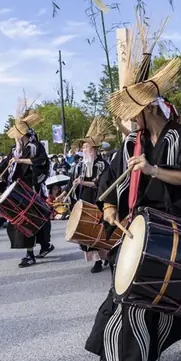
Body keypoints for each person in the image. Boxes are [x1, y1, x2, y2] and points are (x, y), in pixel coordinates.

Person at [84, 55, 181, 361]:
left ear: (148, 109)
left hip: (172, 227)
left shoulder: (179, 137)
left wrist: (153, 169)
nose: (129, 121)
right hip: (138, 229)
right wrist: (110, 207)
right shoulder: (130, 143)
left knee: (177, 293)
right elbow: (109, 182)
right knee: (131, 294)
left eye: (133, 113)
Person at [5, 107, 54, 268]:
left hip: (31, 188)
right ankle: (43, 246)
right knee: (22, 221)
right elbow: (6, 162)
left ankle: (30, 254)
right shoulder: (16, 149)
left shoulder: (35, 146)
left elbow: (41, 162)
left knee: (31, 220)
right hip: (18, 189)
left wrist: (20, 161)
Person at [69, 117, 112, 273]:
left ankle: (101, 260)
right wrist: (71, 189)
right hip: (84, 199)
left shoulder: (102, 164)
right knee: (86, 231)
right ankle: (99, 258)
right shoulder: (80, 165)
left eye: (87, 146)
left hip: (97, 200)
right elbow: (74, 182)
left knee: (98, 230)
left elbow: (101, 183)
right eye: (83, 146)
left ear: (94, 149)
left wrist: (83, 183)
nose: (84, 149)